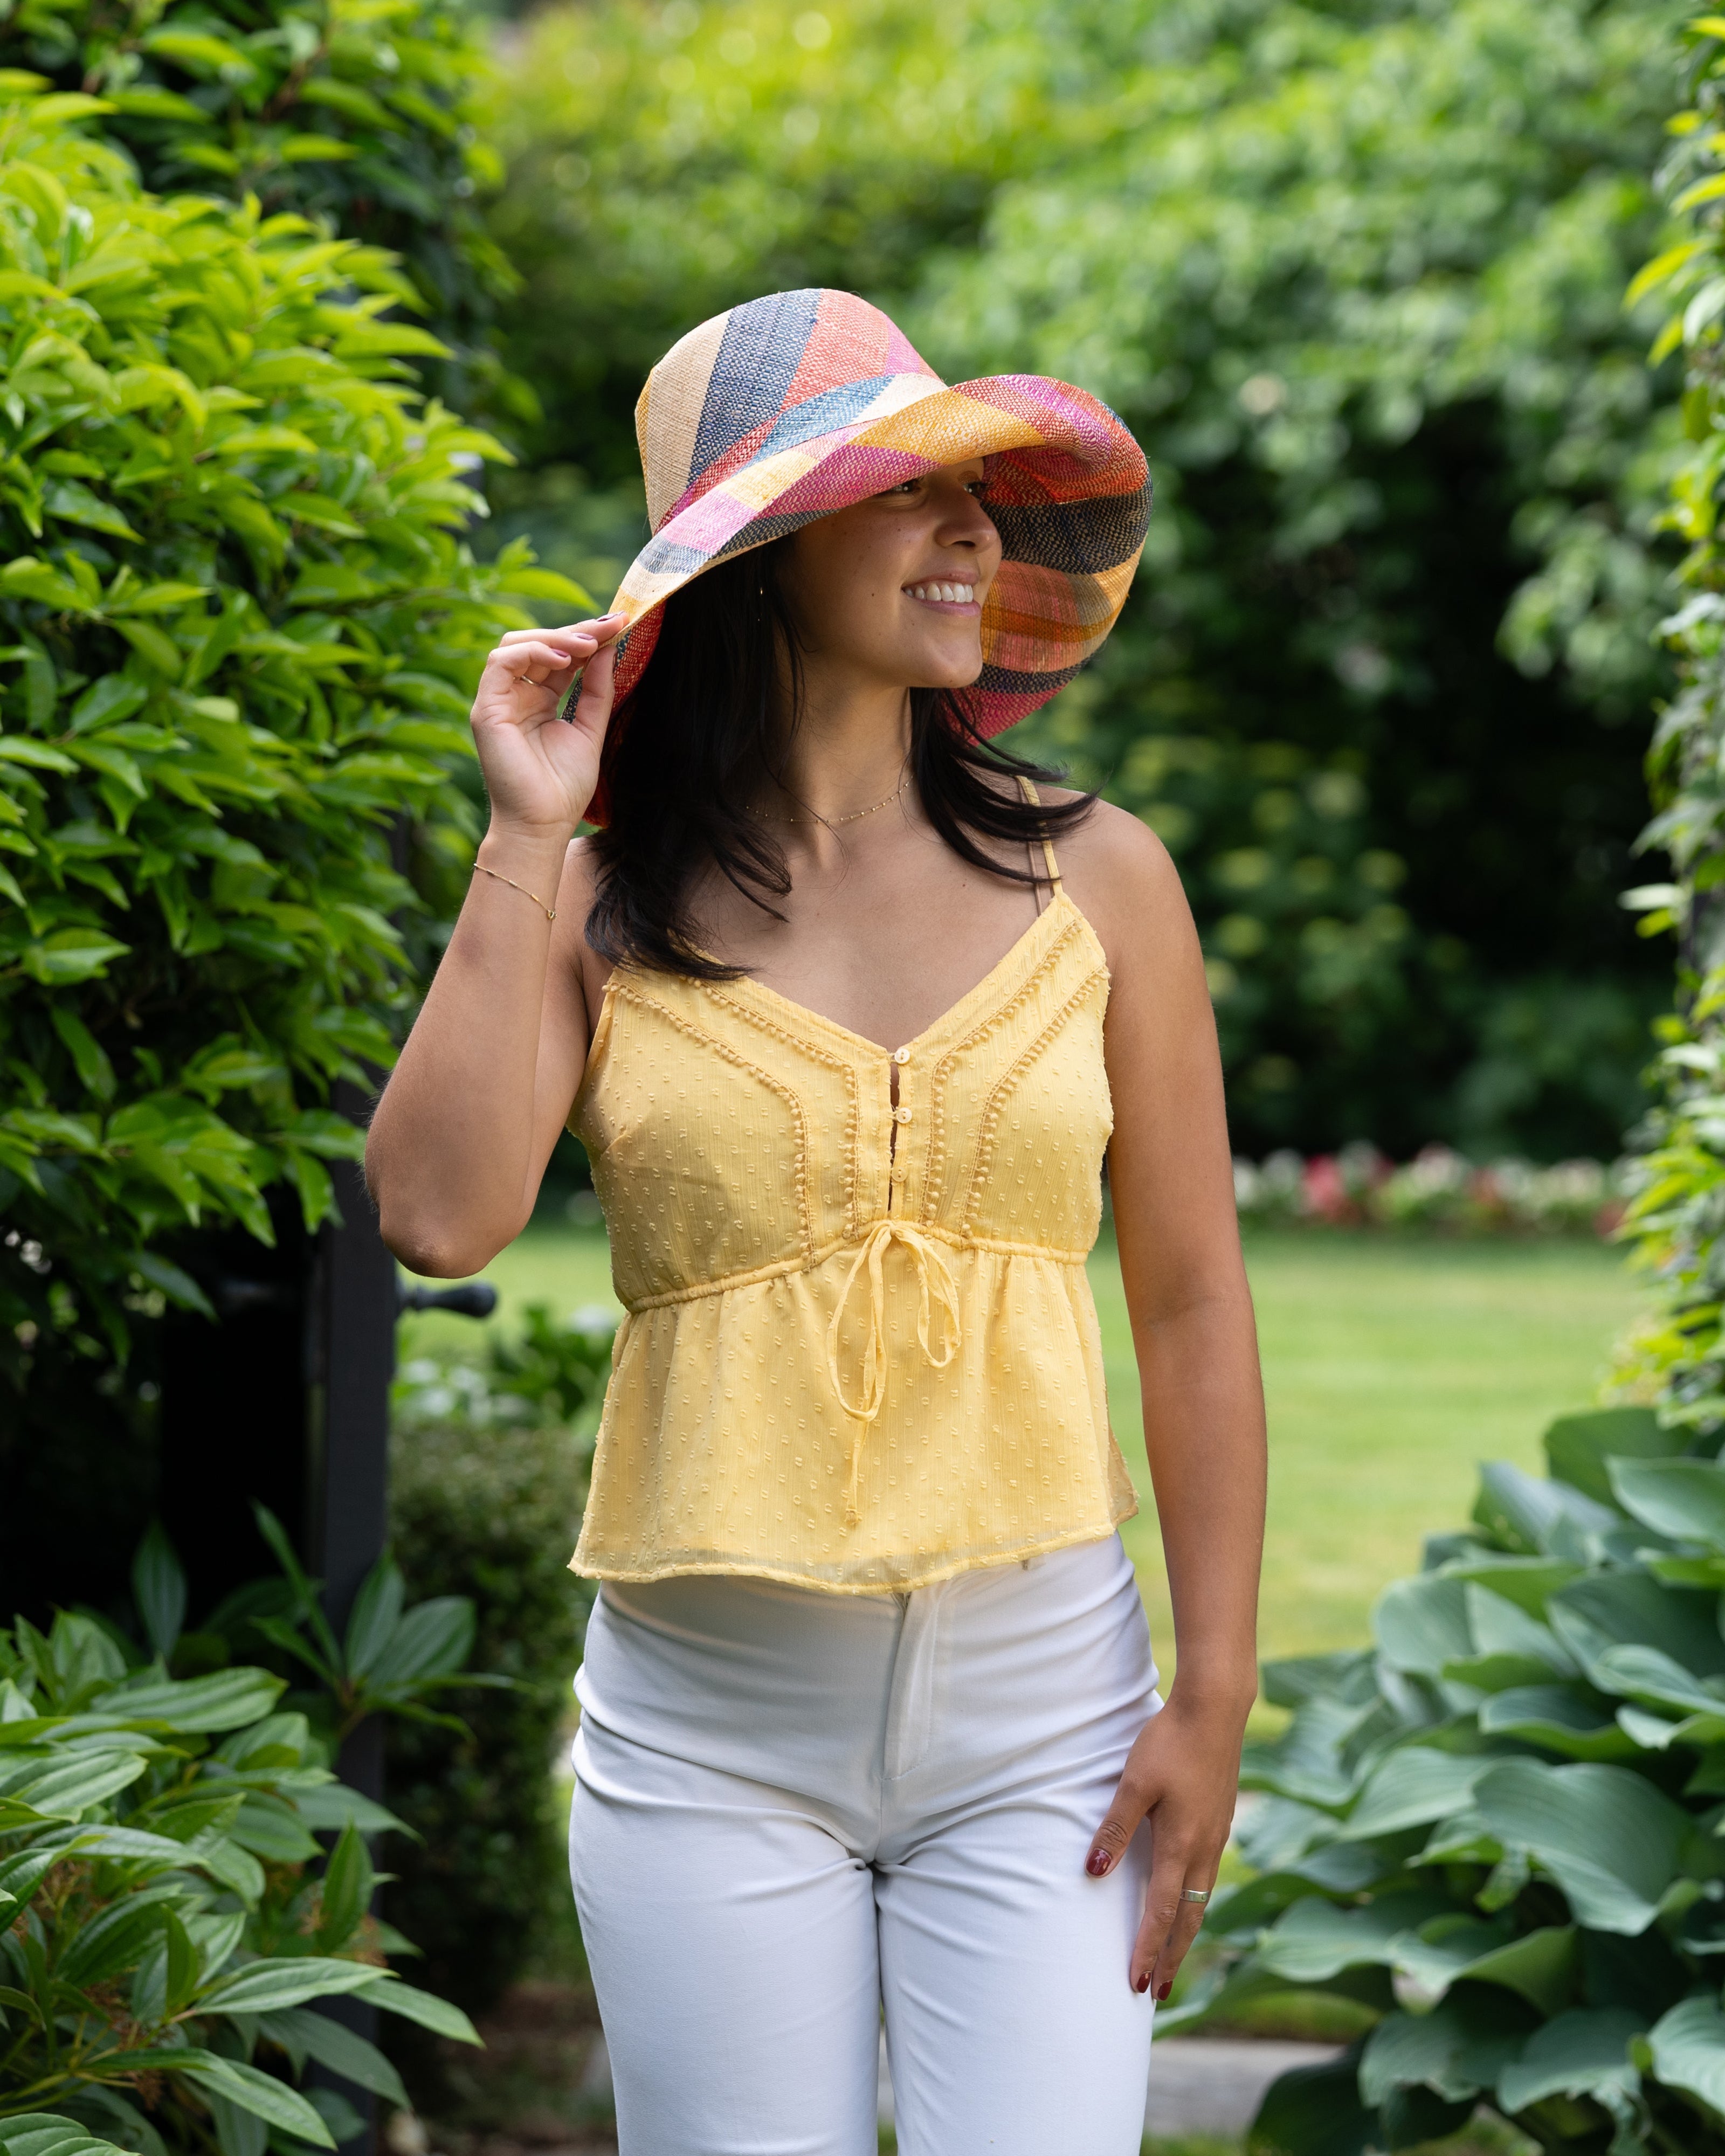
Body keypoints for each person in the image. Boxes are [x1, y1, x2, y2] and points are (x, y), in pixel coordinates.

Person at [368, 288, 1267, 2156]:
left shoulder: (1104, 878)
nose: (974, 533)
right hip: (707, 1738)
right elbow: (438, 1216)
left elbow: (1190, 1305)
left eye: (980, 497)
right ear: (765, 560)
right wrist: (526, 832)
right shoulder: (604, 901)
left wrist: (1219, 1693)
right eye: (910, 494)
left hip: (1048, 1728)